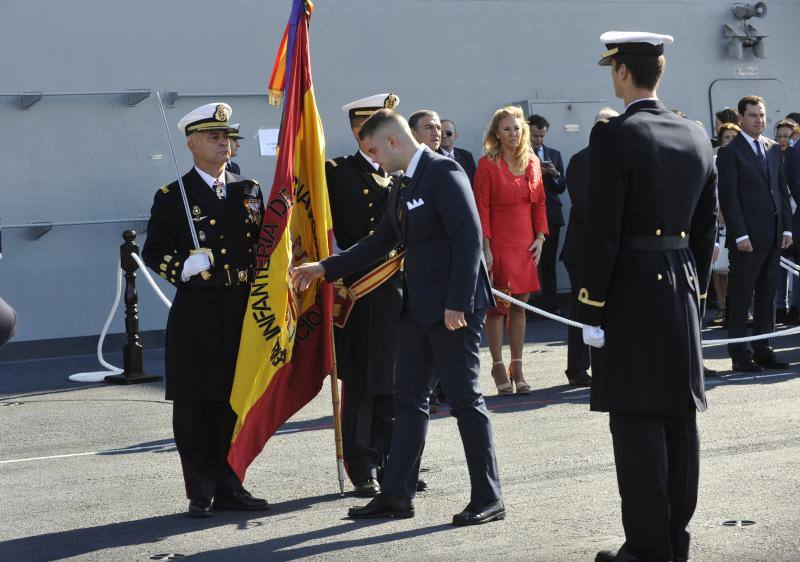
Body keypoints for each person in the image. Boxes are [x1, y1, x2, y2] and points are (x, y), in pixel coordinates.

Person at [293, 109, 504, 526]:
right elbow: (383, 238)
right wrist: (325, 267)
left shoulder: (444, 172)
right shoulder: (403, 184)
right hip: (417, 309)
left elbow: (468, 238)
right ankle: (396, 495)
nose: (375, 159)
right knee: (409, 401)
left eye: (374, 150)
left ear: (392, 142)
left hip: (452, 309)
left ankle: (488, 496)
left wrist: (458, 302)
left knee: (465, 401)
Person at [577, 32, 718, 562]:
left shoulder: (615, 136)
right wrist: (696, 291)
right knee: (680, 421)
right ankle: (674, 542)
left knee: (636, 424)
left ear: (620, 73)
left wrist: (590, 304)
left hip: (631, 291)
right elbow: (707, 229)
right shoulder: (696, 134)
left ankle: (645, 549)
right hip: (681, 286)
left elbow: (603, 231)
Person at [142, 102, 269, 518]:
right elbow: (153, 251)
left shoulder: (247, 188)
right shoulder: (173, 195)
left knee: (233, 400)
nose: (224, 143)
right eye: (214, 137)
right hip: (198, 310)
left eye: (228, 136)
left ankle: (231, 485)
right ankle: (201, 489)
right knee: (197, 403)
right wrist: (182, 267)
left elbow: (262, 247)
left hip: (240, 307)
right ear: (192, 143)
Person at [325, 92, 404, 498]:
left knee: (393, 381)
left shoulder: (403, 174)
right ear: (358, 130)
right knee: (361, 382)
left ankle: (394, 460)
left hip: (400, 291)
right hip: (362, 290)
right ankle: (363, 465)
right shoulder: (337, 173)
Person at [474, 106, 548, 395]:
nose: (513, 134)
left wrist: (541, 238)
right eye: (507, 129)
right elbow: (482, 208)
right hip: (499, 242)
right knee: (497, 309)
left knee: (520, 306)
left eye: (517, 128)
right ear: (496, 133)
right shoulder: (487, 164)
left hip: (526, 242)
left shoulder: (532, 162)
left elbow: (540, 203)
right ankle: (497, 365)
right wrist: (486, 248)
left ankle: (518, 366)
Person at [718, 95, 793, 372]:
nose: (759, 120)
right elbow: (729, 197)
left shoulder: (773, 148)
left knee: (767, 294)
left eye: (762, 115)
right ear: (740, 118)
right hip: (747, 239)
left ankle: (764, 348)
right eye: (753, 115)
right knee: (741, 295)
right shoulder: (730, 152)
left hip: (773, 235)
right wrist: (739, 235)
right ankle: (740, 353)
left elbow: (781, 190)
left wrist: (786, 227)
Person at [559, 107, 619, 388]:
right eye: (603, 124)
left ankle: (610, 364)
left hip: (614, 248)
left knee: (613, 310)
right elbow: (583, 206)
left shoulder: (622, 159)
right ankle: (578, 368)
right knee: (582, 310)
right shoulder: (581, 160)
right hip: (584, 250)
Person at [528, 114, 565, 315]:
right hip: (527, 216)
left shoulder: (554, 154)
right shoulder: (520, 154)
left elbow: (562, 187)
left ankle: (550, 304)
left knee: (548, 262)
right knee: (528, 262)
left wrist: (555, 174)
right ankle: (526, 305)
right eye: (535, 136)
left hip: (551, 215)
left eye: (542, 136)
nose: (539, 140)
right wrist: (536, 174)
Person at [438, 119, 477, 184]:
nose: (444, 136)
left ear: (455, 136)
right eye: (441, 133)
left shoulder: (466, 156)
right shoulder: (432, 156)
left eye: (448, 133)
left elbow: (474, 182)